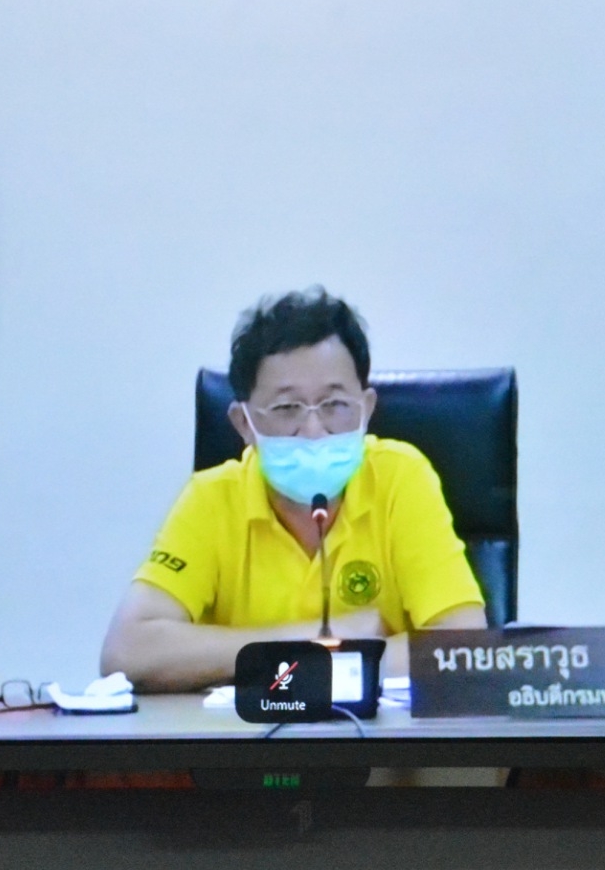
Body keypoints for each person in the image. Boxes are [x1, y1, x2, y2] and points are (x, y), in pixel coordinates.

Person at [100, 289, 490, 693]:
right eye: (287, 408)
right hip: (250, 733)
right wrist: (324, 638)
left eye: (335, 405)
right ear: (244, 424)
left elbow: (463, 648)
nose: (314, 430)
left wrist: (279, 662)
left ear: (367, 408)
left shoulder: (400, 477)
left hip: (380, 733)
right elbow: (126, 653)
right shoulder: (212, 499)